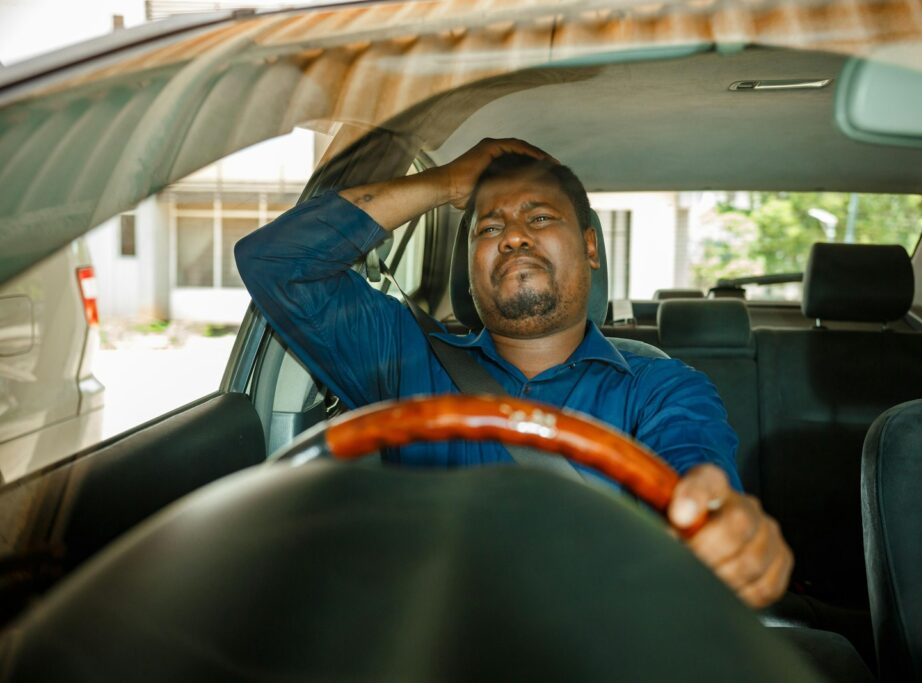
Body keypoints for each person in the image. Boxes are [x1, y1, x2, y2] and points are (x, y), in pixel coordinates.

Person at [235, 137, 792, 608]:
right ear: (470, 266)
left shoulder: (662, 388)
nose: (514, 235)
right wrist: (445, 184)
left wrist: (722, 526)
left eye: (541, 217)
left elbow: (698, 472)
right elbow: (275, 261)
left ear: (590, 247)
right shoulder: (402, 355)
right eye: (488, 227)